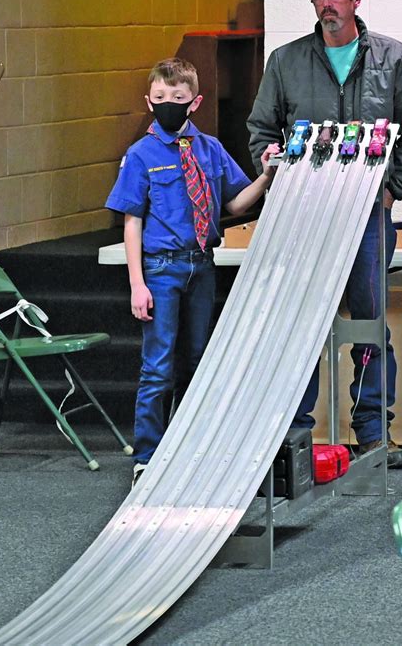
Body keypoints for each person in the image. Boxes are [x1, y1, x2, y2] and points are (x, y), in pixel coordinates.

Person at [247, 0, 402, 469]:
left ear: (356, 0)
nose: (327, 2)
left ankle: (374, 434)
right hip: (304, 218)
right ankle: (297, 437)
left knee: (370, 324)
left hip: (370, 218)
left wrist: (394, 188)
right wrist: (267, 159)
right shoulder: (285, 62)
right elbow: (260, 130)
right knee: (302, 324)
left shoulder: (393, 58)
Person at [106, 57, 276, 486]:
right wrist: (136, 284)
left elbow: (234, 205)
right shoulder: (140, 154)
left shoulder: (210, 149)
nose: (168, 104)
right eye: (160, 98)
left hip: (201, 266)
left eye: (177, 99)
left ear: (194, 102)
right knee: (158, 364)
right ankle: (148, 455)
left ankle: (187, 446)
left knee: (198, 360)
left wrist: (267, 177)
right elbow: (132, 221)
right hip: (160, 269)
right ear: (149, 101)